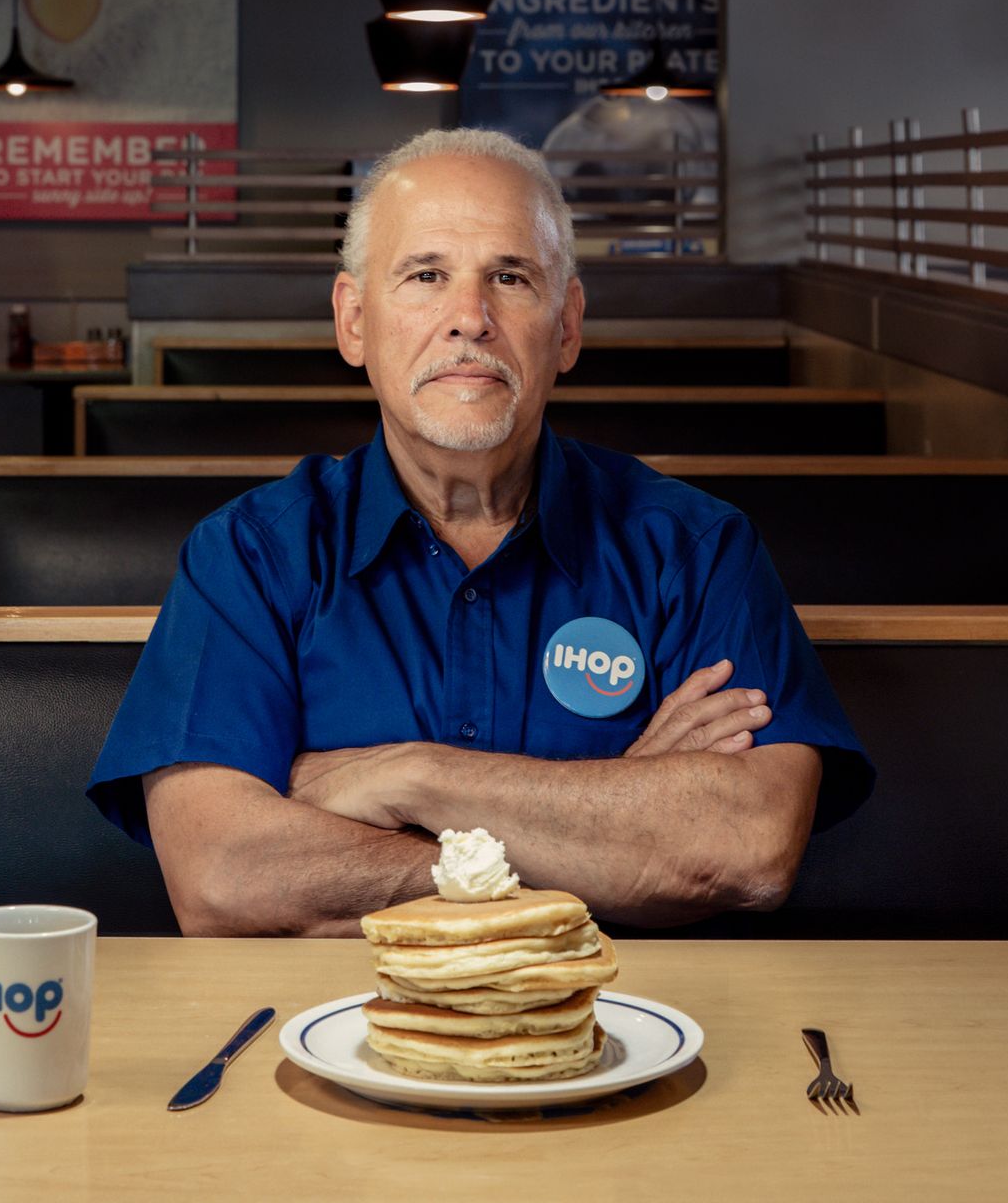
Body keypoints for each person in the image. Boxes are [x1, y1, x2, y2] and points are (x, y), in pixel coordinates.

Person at [87, 128, 873, 936]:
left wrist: (411, 777)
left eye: (510, 276)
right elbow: (221, 878)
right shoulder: (250, 555)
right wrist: (602, 830)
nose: (470, 318)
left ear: (566, 326)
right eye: (427, 275)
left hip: (620, 1032)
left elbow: (748, 844)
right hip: (325, 1034)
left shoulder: (698, 551)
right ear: (354, 321)